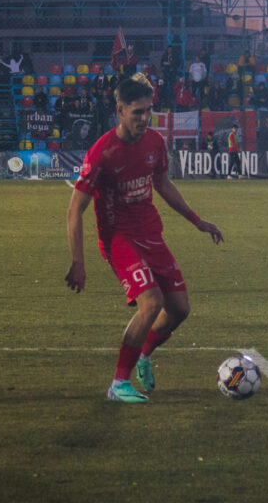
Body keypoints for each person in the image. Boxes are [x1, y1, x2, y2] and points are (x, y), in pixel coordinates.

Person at [65, 75, 223, 404]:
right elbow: (74, 210)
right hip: (119, 239)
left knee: (179, 310)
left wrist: (197, 221)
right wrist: (78, 263)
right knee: (151, 303)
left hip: (151, 234)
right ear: (120, 111)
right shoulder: (103, 152)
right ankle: (118, 384)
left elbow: (163, 184)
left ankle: (144, 355)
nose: (143, 118)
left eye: (148, 111)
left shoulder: (154, 142)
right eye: (136, 112)